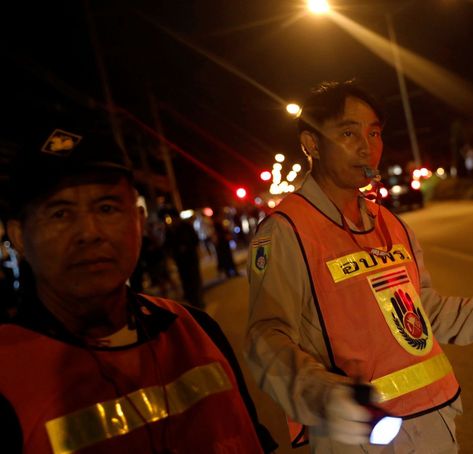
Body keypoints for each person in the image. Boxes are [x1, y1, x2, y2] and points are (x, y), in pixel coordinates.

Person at [245, 80, 473, 452]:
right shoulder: (286, 231)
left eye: (374, 133)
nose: (367, 146)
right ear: (311, 144)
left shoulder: (390, 224)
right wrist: (322, 396)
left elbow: (423, 312)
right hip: (360, 438)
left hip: (433, 424)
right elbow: (265, 337)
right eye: (348, 132)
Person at [0, 123, 276, 453]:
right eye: (60, 214)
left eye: (107, 208)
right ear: (17, 235)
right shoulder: (8, 372)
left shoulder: (196, 329)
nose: (89, 232)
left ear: (139, 221)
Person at [163, 208, 204, 309]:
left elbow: (195, 240)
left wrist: (187, 246)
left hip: (191, 259)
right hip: (180, 261)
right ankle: (192, 302)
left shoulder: (186, 227)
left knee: (195, 280)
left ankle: (198, 301)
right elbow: (168, 244)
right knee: (185, 281)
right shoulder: (170, 230)